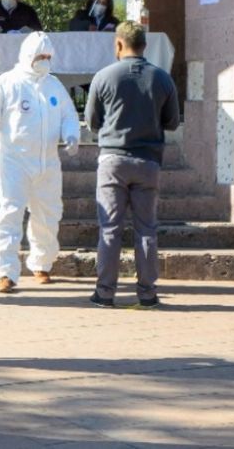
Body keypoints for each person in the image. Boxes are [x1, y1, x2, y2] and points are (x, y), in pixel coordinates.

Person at [0, 32, 80, 294]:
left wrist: (72, 134)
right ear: (27, 56)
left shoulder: (53, 86)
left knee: (49, 214)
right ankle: (5, 272)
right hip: (14, 161)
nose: (44, 61)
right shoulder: (6, 84)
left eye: (47, 57)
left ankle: (41, 263)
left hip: (48, 162)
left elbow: (68, 115)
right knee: (10, 214)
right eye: (39, 56)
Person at [85, 21, 180, 308]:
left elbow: (92, 121)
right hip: (148, 161)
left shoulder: (103, 77)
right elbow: (172, 121)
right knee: (146, 228)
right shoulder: (162, 79)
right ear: (145, 46)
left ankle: (105, 292)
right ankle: (147, 293)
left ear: (118, 44)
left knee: (110, 228)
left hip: (113, 160)